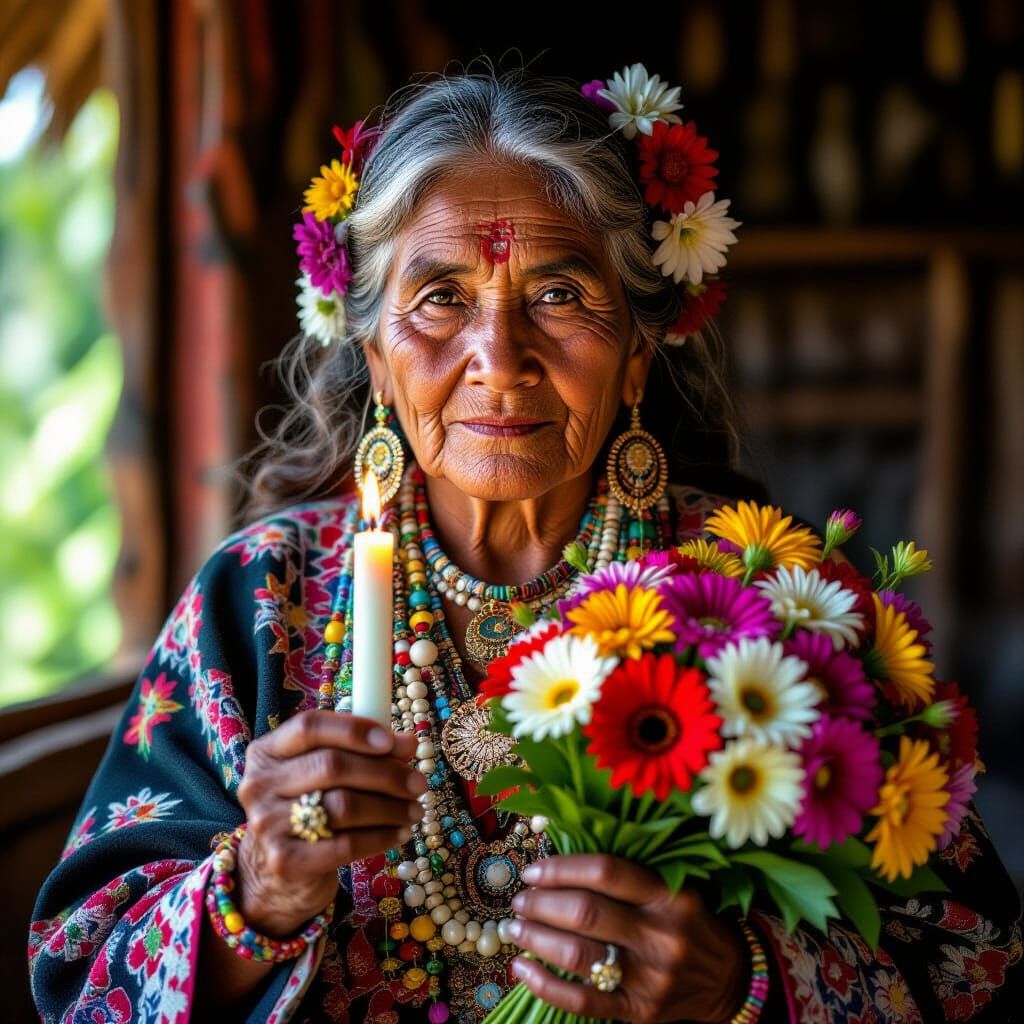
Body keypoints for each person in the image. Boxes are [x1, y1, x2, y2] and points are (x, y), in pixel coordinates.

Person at [29, 62, 1022, 1024]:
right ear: (376, 355)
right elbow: (85, 982)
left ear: (636, 355)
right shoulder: (262, 599)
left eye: (559, 296)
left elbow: (975, 964)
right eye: (441, 298)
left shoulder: (767, 594)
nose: (500, 360)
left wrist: (737, 986)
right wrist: (259, 888)